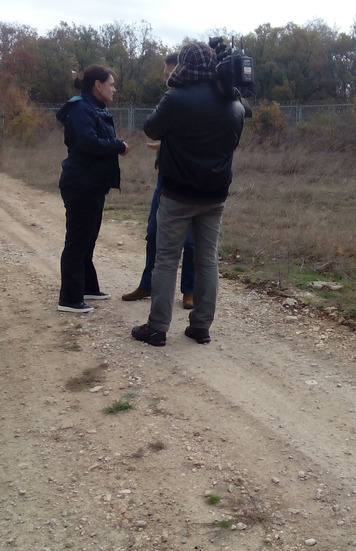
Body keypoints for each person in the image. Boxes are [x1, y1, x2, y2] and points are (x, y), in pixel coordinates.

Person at [131, 42, 245, 346]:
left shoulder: (176, 98)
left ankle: (157, 328)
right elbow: (233, 140)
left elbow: (150, 129)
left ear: (184, 64)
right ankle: (200, 327)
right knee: (207, 260)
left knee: (167, 260)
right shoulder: (233, 103)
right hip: (215, 195)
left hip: (177, 193)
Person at [122, 51, 196, 310]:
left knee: (190, 240)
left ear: (182, 72)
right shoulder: (170, 99)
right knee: (153, 232)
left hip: (189, 180)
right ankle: (148, 284)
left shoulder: (193, 101)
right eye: (165, 74)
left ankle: (190, 290)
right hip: (164, 178)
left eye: (169, 74)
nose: (165, 78)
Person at [55, 64, 130, 313]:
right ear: (97, 85)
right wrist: (118, 145)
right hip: (80, 184)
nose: (114, 89)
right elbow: (88, 143)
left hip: (93, 184)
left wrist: (114, 145)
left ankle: (87, 287)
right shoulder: (80, 108)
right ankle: (69, 299)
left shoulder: (95, 107)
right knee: (77, 241)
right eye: (111, 84)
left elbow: (97, 141)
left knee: (88, 239)